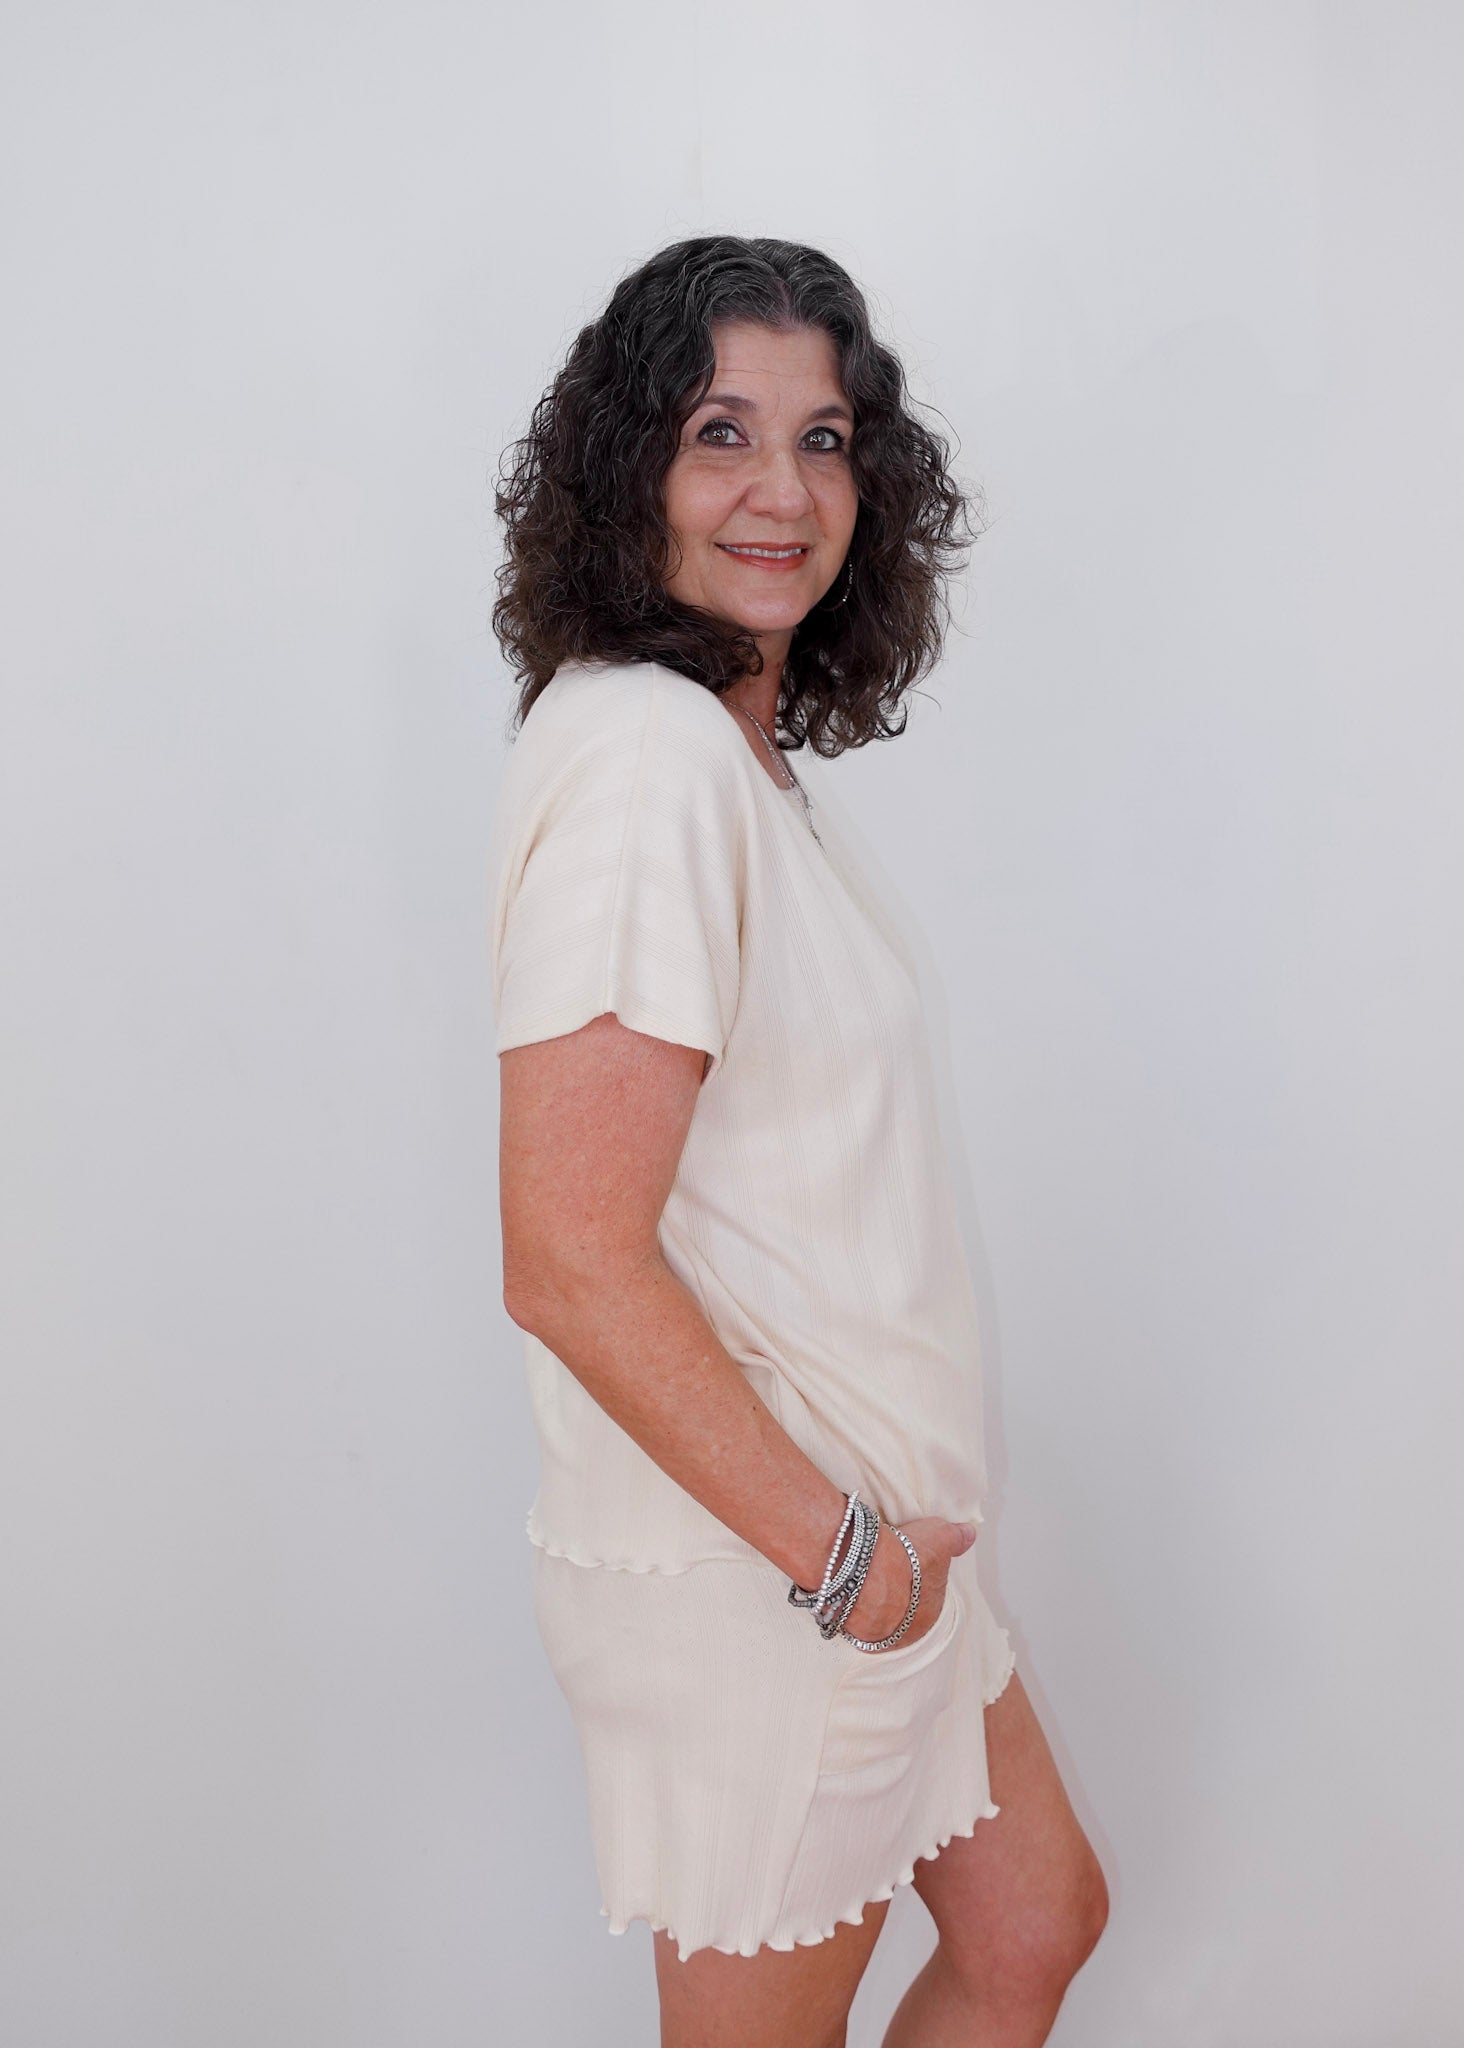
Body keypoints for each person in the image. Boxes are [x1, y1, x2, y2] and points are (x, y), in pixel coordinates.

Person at [486, 235, 1107, 2048]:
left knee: (1033, 1924)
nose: (783, 489)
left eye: (823, 439)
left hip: (880, 1561)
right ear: (628, 473)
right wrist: (848, 1570)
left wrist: (897, 1568)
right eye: (720, 433)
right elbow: (568, 1259)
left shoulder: (729, 758)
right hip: (776, 1580)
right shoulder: (647, 767)